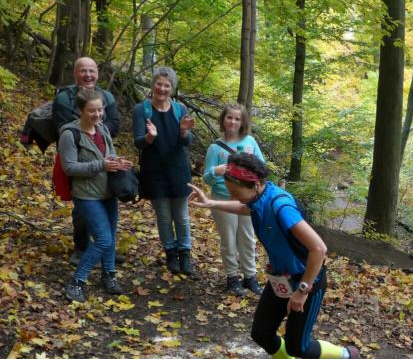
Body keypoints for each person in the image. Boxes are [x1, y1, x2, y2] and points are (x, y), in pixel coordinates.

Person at [188, 153, 360, 359]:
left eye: (235, 191)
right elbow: (246, 206)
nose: (232, 196)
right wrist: (211, 203)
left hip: (307, 280)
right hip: (282, 277)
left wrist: (302, 291)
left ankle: (346, 355)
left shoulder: (281, 207)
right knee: (262, 332)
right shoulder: (258, 197)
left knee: (298, 346)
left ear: (256, 184)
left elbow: (319, 249)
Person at [59, 89, 132, 302]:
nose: (97, 114)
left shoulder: (102, 128)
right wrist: (102, 165)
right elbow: (69, 167)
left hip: (108, 191)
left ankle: (109, 275)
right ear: (80, 110)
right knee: (103, 238)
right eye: (92, 111)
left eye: (100, 110)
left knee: (110, 236)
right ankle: (76, 282)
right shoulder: (69, 134)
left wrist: (117, 162)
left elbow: (109, 153)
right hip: (87, 195)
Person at [53, 57, 121, 266]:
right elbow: (63, 125)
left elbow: (115, 123)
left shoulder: (106, 96)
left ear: (98, 73)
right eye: (83, 71)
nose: (88, 75)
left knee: (105, 201)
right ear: (75, 73)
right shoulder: (64, 97)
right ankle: (81, 248)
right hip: (76, 156)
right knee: (82, 205)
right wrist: (89, 129)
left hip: (102, 152)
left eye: (92, 71)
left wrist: (96, 127)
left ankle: (104, 249)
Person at [133, 67, 196, 275]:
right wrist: (149, 137)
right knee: (163, 217)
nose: (162, 89)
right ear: (153, 85)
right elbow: (138, 142)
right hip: (154, 172)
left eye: (166, 85)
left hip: (178, 170)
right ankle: (170, 252)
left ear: (172, 88)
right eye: (159, 84)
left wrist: (184, 131)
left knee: (182, 216)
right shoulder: (141, 110)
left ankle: (185, 253)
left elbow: (187, 142)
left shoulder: (180, 109)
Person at [202, 104, 264, 296]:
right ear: (223, 119)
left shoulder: (250, 142)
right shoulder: (215, 148)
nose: (233, 122)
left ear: (243, 122)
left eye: (237, 119)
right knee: (228, 239)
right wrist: (215, 171)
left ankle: (250, 276)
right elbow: (207, 178)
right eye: (229, 117)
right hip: (223, 198)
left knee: (248, 238)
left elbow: (261, 167)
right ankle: (232, 278)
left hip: (247, 199)